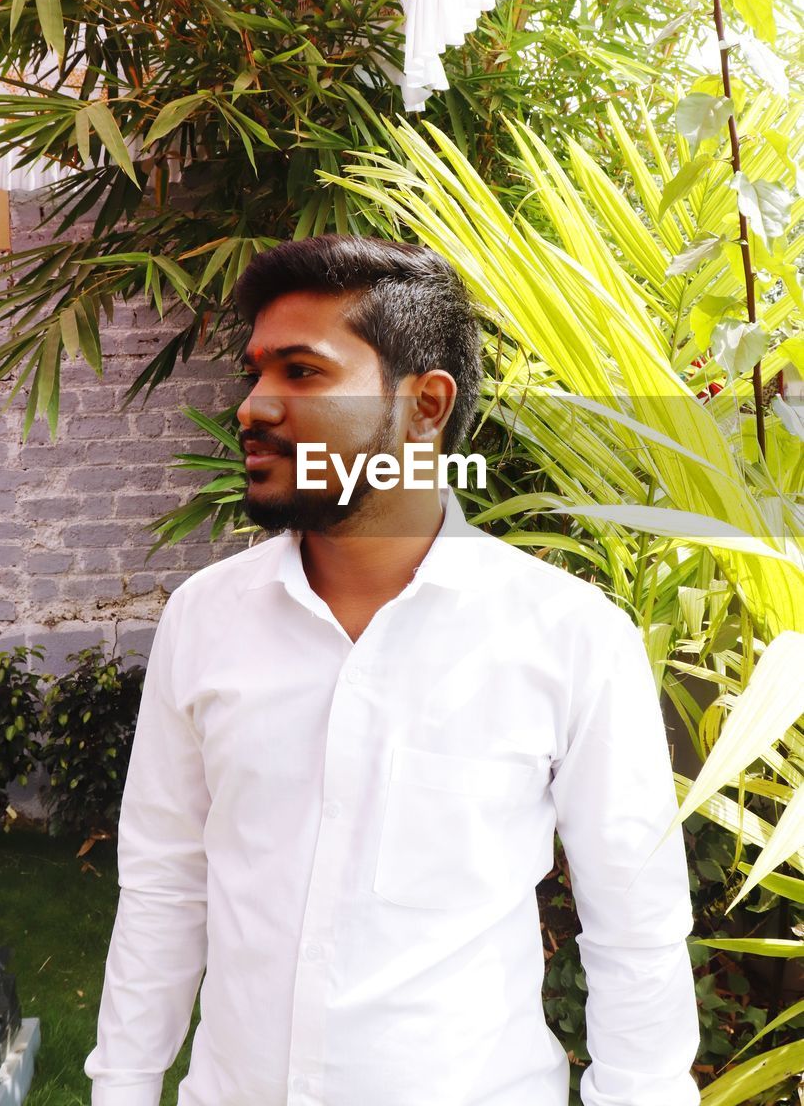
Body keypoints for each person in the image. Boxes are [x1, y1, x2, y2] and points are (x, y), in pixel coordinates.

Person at [85, 235, 701, 1106]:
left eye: (301, 373)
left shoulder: (567, 638)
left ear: (423, 406)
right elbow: (164, 884)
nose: (254, 407)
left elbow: (633, 931)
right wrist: (124, 1087)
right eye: (255, 372)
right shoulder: (204, 621)